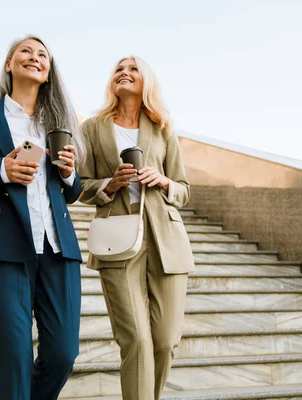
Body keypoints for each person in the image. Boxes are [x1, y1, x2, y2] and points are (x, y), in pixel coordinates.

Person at [0, 36, 85, 400]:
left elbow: (73, 191)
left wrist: (69, 173)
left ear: (49, 71)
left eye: (43, 54)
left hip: (58, 251)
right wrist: (2, 170)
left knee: (63, 355)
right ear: (9, 64)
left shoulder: (59, 123)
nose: (34, 57)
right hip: (2, 250)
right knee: (13, 358)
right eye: (25, 51)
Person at [78, 56, 195, 400]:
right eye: (118, 70)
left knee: (164, 341)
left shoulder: (162, 127)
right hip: (117, 238)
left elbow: (184, 189)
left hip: (166, 240)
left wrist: (163, 181)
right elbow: (80, 185)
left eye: (133, 70)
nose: (124, 74)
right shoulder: (93, 128)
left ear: (146, 82)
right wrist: (110, 184)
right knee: (137, 340)